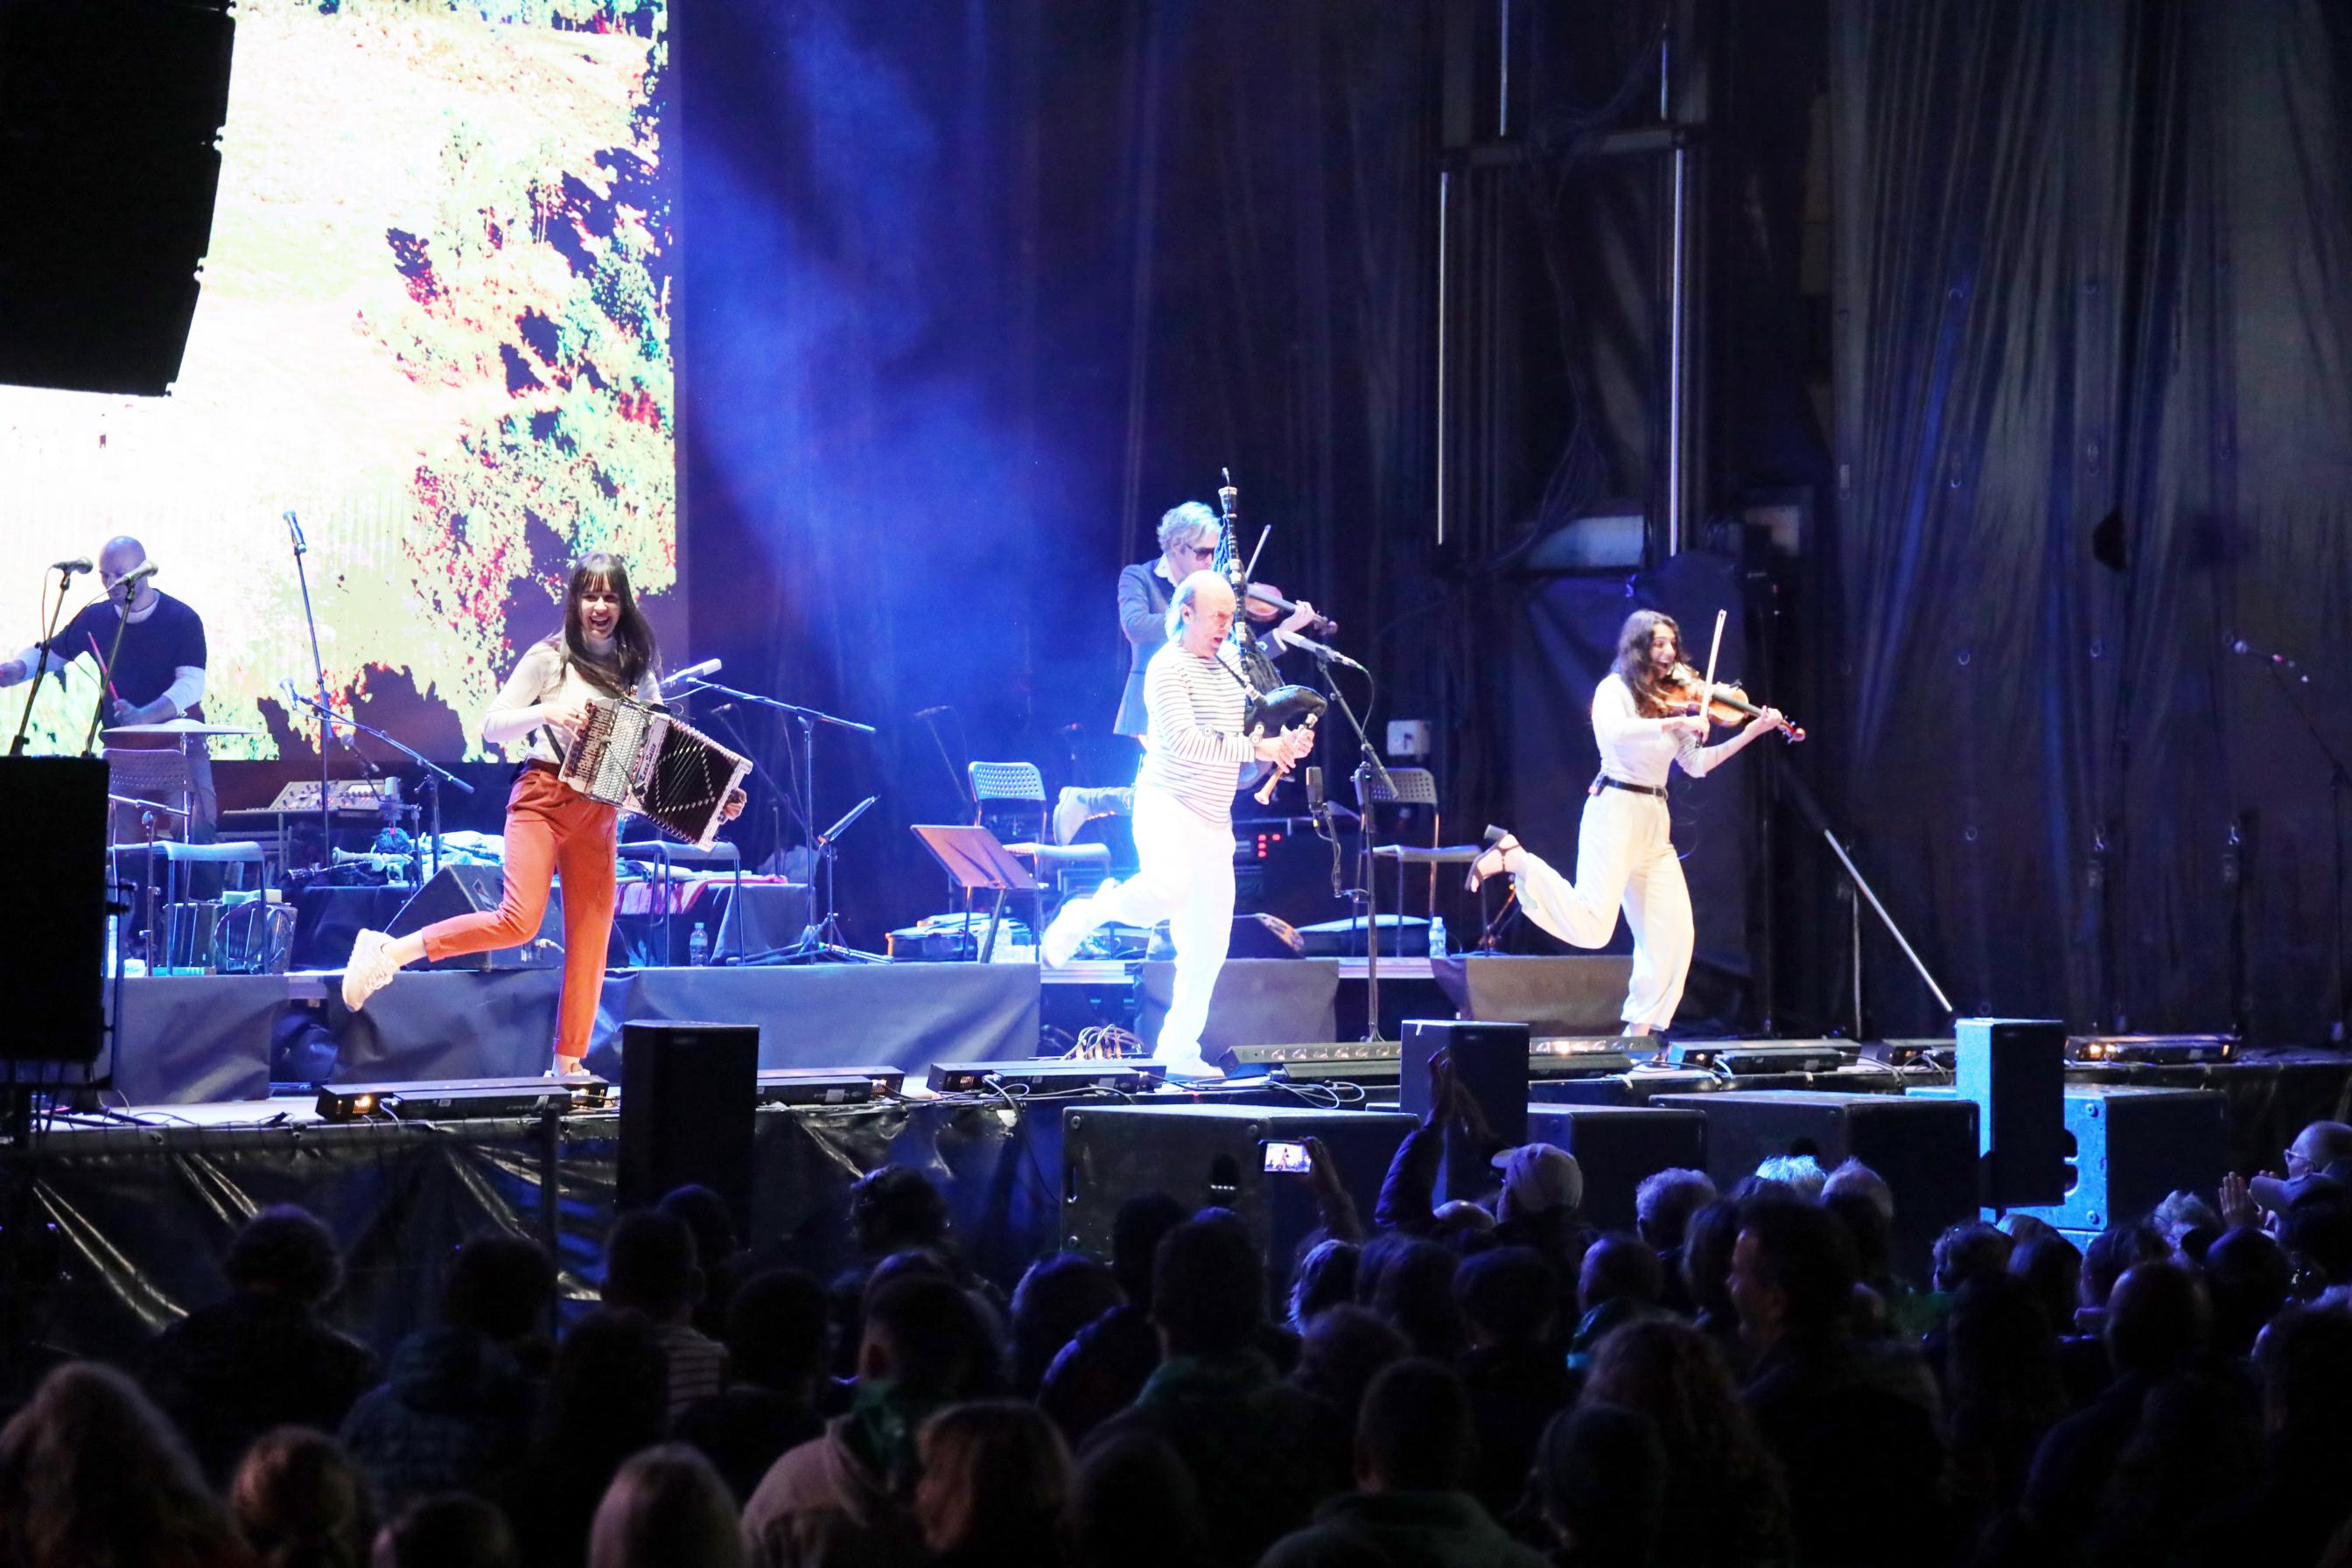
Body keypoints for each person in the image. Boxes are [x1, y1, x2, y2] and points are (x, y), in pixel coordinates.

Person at [337, 554, 738, 1074]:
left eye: (610, 597)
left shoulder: (636, 669)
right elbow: (492, 726)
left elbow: (660, 756)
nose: (599, 607)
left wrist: (713, 802)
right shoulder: (549, 658)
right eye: (590, 596)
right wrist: (546, 711)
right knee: (518, 921)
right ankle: (389, 952)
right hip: (542, 799)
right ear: (574, 601)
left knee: (592, 943)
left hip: (599, 815)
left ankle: (567, 1065)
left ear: (623, 604)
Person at [1039, 572, 1316, 1079]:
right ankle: (1087, 911)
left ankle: (1178, 1050)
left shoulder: (1232, 664)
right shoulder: (1166, 668)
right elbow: (1187, 741)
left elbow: (1255, 727)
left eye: (1231, 617)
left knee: (1208, 943)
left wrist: (1285, 743)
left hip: (1213, 820)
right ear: (1185, 612)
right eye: (1217, 616)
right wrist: (1259, 747)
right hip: (1165, 804)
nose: (1225, 626)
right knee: (1165, 892)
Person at [1467, 609, 1789, 1037]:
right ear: (1637, 647)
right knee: (1592, 929)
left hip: (1655, 821)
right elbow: (1617, 734)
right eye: (1657, 643)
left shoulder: (1671, 699)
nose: (1667, 652)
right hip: (1614, 808)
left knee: (1674, 937)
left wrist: (1752, 731)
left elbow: (1696, 765)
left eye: (1672, 643)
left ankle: (1638, 1036)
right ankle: (1517, 859)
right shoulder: (1613, 690)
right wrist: (1677, 721)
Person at [1056, 500, 1319, 845]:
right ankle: (1092, 801)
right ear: (1178, 546)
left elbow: (1241, 655)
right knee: (1176, 787)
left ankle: (1094, 801)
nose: (1212, 561)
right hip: (1154, 699)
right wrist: (1192, 618)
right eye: (1204, 552)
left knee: (1191, 787)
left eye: (1214, 553)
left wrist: (1282, 634)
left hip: (1202, 699)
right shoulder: (1140, 577)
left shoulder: (1211, 590)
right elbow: (1135, 626)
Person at [2, 536, 217, 834]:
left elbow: (191, 685)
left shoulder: (182, 619)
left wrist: (145, 716)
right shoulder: (97, 617)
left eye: (120, 575)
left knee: (195, 828)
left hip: (179, 748)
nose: (111, 583)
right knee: (117, 841)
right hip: (123, 751)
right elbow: (53, 652)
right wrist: (17, 669)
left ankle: (199, 879)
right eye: (105, 575)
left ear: (143, 571)